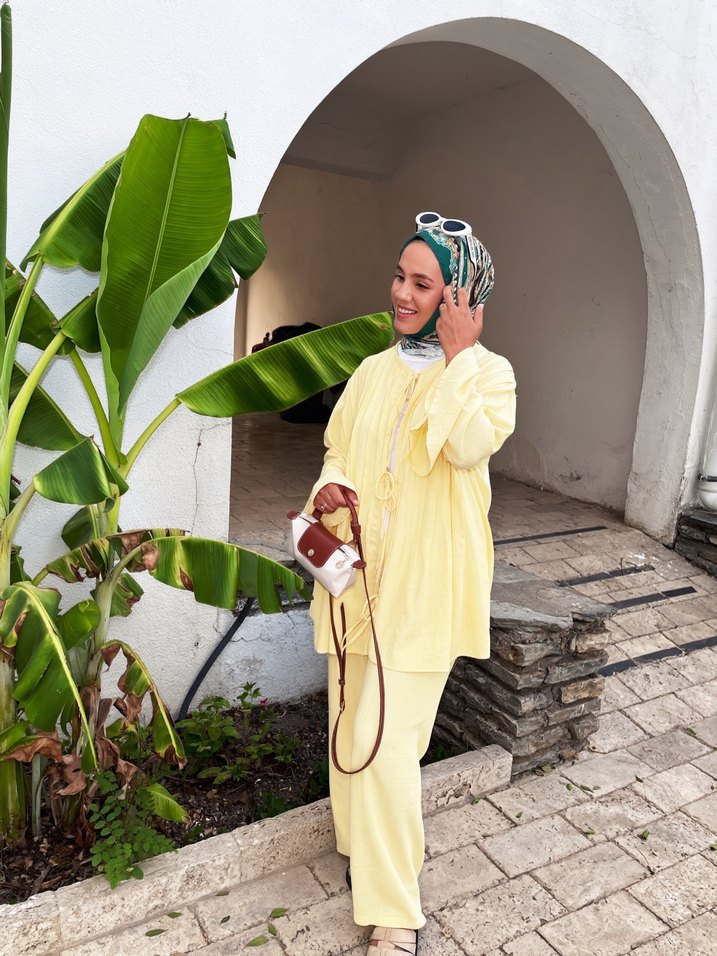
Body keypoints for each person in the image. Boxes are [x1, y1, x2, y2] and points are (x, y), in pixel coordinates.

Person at [308, 212, 517, 955]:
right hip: (357, 577)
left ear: (459, 296)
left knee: (388, 744)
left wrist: (458, 358)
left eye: (423, 284)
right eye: (399, 277)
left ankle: (395, 911)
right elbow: (337, 449)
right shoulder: (372, 370)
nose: (400, 293)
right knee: (346, 724)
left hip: (426, 586)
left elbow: (466, 445)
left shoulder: (490, 375)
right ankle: (361, 849)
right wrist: (330, 489)